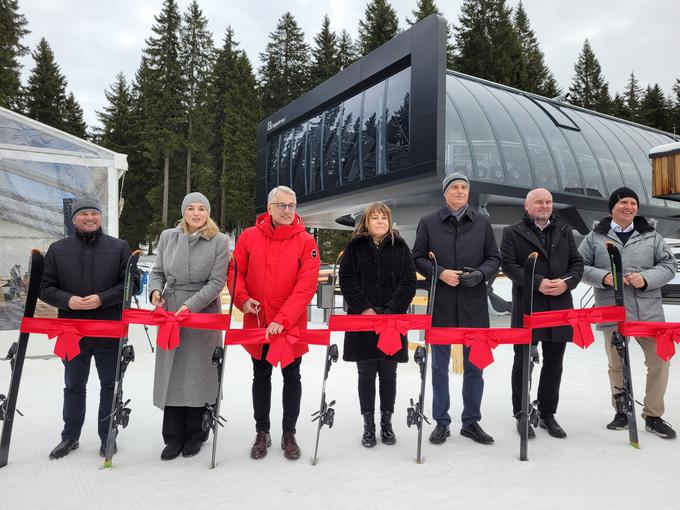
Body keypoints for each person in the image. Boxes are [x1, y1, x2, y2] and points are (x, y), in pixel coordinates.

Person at [229, 185, 320, 460]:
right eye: (281, 205)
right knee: (261, 375)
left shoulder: (306, 241)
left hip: (290, 325)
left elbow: (306, 285)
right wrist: (242, 300)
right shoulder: (249, 237)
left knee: (292, 376)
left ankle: (289, 433)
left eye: (291, 205)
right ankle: (262, 431)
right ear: (269, 208)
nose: (287, 210)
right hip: (258, 320)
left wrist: (283, 319)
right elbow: (235, 271)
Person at [578, 187, 676, 439]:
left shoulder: (651, 236)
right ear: (612, 207)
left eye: (633, 203)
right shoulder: (595, 237)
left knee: (659, 361)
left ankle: (653, 415)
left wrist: (645, 277)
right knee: (617, 363)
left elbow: (668, 266)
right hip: (613, 308)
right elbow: (579, 266)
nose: (628, 207)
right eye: (623, 202)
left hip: (648, 311)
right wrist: (603, 277)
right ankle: (621, 410)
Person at [40, 197, 133, 459]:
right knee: (73, 385)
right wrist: (67, 300)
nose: (89, 218)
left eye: (94, 213)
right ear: (74, 219)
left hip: (108, 330)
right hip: (72, 331)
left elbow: (130, 286)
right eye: (84, 214)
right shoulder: (58, 249)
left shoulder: (119, 247)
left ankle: (107, 436)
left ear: (100, 217)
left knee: (109, 385)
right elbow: (44, 287)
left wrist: (102, 298)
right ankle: (70, 436)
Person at [412, 172, 501, 445]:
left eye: (464, 187)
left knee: (476, 367)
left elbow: (494, 258)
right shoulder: (428, 223)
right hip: (442, 305)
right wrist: (439, 273)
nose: (460, 191)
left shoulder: (482, 223)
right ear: (445, 193)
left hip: (474, 306)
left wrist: (481, 275)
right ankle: (441, 421)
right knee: (439, 367)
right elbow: (416, 258)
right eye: (455, 187)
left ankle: (471, 421)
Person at [148, 192, 229, 460]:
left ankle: (197, 432)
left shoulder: (219, 241)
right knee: (173, 370)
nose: (196, 213)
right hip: (170, 310)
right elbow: (157, 272)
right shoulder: (168, 237)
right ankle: (172, 435)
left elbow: (217, 283)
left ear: (208, 213)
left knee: (198, 372)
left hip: (201, 312)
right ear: (183, 212)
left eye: (202, 209)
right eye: (191, 209)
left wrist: (191, 306)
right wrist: (155, 292)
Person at [500, 188, 584, 439]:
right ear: (527, 206)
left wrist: (566, 282)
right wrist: (536, 282)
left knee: (554, 363)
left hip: (559, 306)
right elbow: (510, 265)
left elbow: (577, 264)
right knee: (523, 362)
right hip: (529, 305)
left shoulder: (564, 231)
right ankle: (522, 414)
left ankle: (548, 413)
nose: (544, 205)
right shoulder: (512, 232)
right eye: (539, 202)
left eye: (548, 202)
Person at [339, 202, 416, 447]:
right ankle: (368, 424)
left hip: (391, 322)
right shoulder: (355, 247)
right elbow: (347, 279)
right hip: (364, 320)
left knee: (388, 374)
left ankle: (387, 423)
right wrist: (365, 308)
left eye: (384, 217)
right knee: (366, 375)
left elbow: (408, 282)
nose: (380, 221)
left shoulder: (401, 248)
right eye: (375, 218)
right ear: (367, 222)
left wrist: (391, 310)